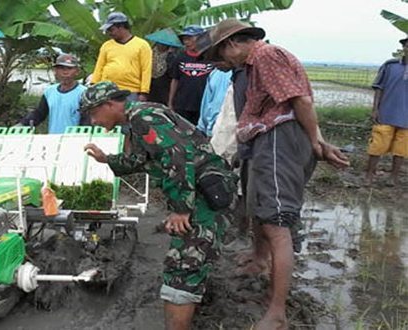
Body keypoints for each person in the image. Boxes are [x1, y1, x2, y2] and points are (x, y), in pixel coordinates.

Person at [198, 19, 349, 329]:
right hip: (267, 141)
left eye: (221, 56)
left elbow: (301, 101)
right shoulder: (252, 67)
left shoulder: (267, 56)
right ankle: (260, 263)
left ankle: (277, 313)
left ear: (233, 44)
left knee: (277, 224)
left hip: (280, 141)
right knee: (263, 211)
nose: (222, 63)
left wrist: (314, 141)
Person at [82, 81, 234, 329]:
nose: (93, 121)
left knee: (183, 266)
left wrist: (181, 208)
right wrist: (106, 159)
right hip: (202, 191)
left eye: (93, 112)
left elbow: (177, 154)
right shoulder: (138, 118)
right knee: (189, 261)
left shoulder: (144, 117)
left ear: (109, 104)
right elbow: (140, 159)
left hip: (204, 196)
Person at [365, 37, 408, 187]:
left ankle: (393, 178)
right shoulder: (390, 66)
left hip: (406, 119)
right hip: (386, 114)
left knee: (401, 150)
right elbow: (379, 87)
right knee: (377, 146)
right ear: (403, 47)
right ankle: (369, 176)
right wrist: (375, 109)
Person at [18, 54, 88, 133]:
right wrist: (22, 125)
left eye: (69, 68)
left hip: (75, 139)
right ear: (55, 71)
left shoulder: (84, 93)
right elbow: (39, 113)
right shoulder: (50, 91)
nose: (65, 72)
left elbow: (88, 120)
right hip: (53, 139)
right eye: (61, 68)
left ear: (77, 71)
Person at [91, 12, 152, 101]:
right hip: (107, 90)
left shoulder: (142, 45)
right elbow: (99, 67)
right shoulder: (106, 45)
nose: (109, 33)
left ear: (121, 27)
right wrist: (94, 85)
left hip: (131, 91)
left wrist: (144, 92)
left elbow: (146, 69)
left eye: (111, 29)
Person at [168, 25, 213, 125]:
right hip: (182, 105)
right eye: (184, 39)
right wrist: (170, 102)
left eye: (189, 38)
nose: (186, 42)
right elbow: (175, 80)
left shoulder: (210, 58)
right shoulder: (180, 58)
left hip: (203, 105)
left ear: (202, 39)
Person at [145, 28, 183, 105]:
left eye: (164, 45)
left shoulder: (172, 57)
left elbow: (173, 76)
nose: (161, 46)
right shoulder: (149, 54)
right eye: (159, 43)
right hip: (150, 90)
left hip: (165, 91)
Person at [197, 68, 233, 137]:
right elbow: (207, 103)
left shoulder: (240, 75)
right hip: (213, 131)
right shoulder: (215, 73)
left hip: (224, 132)